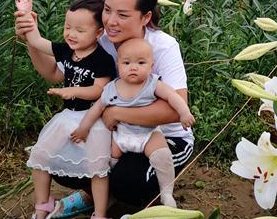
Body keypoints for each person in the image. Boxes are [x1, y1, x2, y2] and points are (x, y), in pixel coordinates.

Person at [15, 0, 193, 219]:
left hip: (163, 137)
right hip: (114, 135)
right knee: (59, 155)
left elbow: (176, 109)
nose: (110, 21)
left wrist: (116, 113)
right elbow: (55, 73)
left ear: (145, 17)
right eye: (107, 10)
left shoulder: (162, 47)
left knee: (130, 182)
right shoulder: (100, 38)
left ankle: (164, 209)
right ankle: (95, 196)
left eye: (122, 15)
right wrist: (30, 41)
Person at [20, 0, 115, 219]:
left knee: (98, 170)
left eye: (80, 30)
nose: (71, 34)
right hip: (67, 118)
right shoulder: (65, 50)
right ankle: (43, 205)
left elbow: (99, 90)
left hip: (92, 120)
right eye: (67, 27)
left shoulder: (103, 59)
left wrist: (71, 91)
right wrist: (27, 16)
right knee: (40, 156)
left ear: (99, 33)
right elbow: (36, 41)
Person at [72, 37, 195, 209]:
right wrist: (83, 129)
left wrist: (184, 112)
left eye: (141, 63)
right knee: (106, 161)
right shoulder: (111, 88)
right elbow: (97, 109)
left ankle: (166, 194)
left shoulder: (152, 83)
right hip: (121, 135)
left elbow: (172, 96)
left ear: (151, 66)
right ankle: (106, 195)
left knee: (161, 155)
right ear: (118, 66)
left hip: (148, 133)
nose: (133, 67)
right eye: (127, 63)